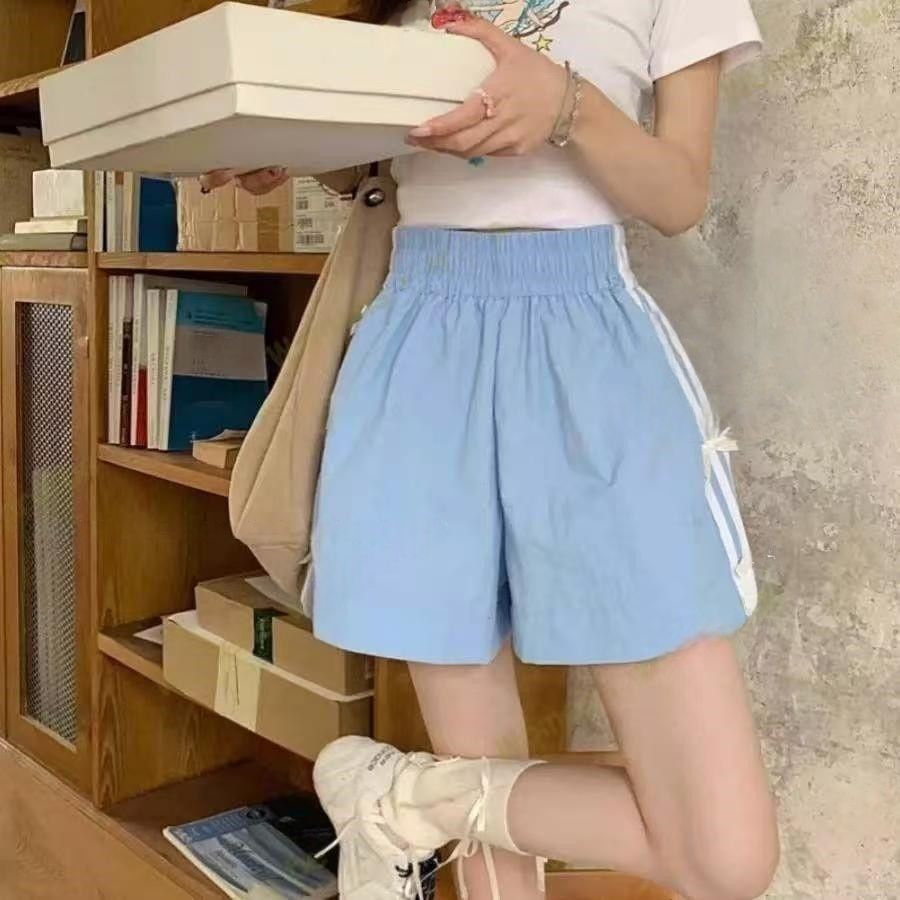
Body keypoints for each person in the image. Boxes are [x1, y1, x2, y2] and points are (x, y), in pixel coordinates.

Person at [206, 0, 779, 897]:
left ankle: (396, 794)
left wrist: (567, 104)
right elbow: (389, 160)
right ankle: (416, 799)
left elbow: (679, 195)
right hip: (417, 344)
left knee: (727, 860)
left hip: (586, 352)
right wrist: (289, 141)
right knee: (486, 804)